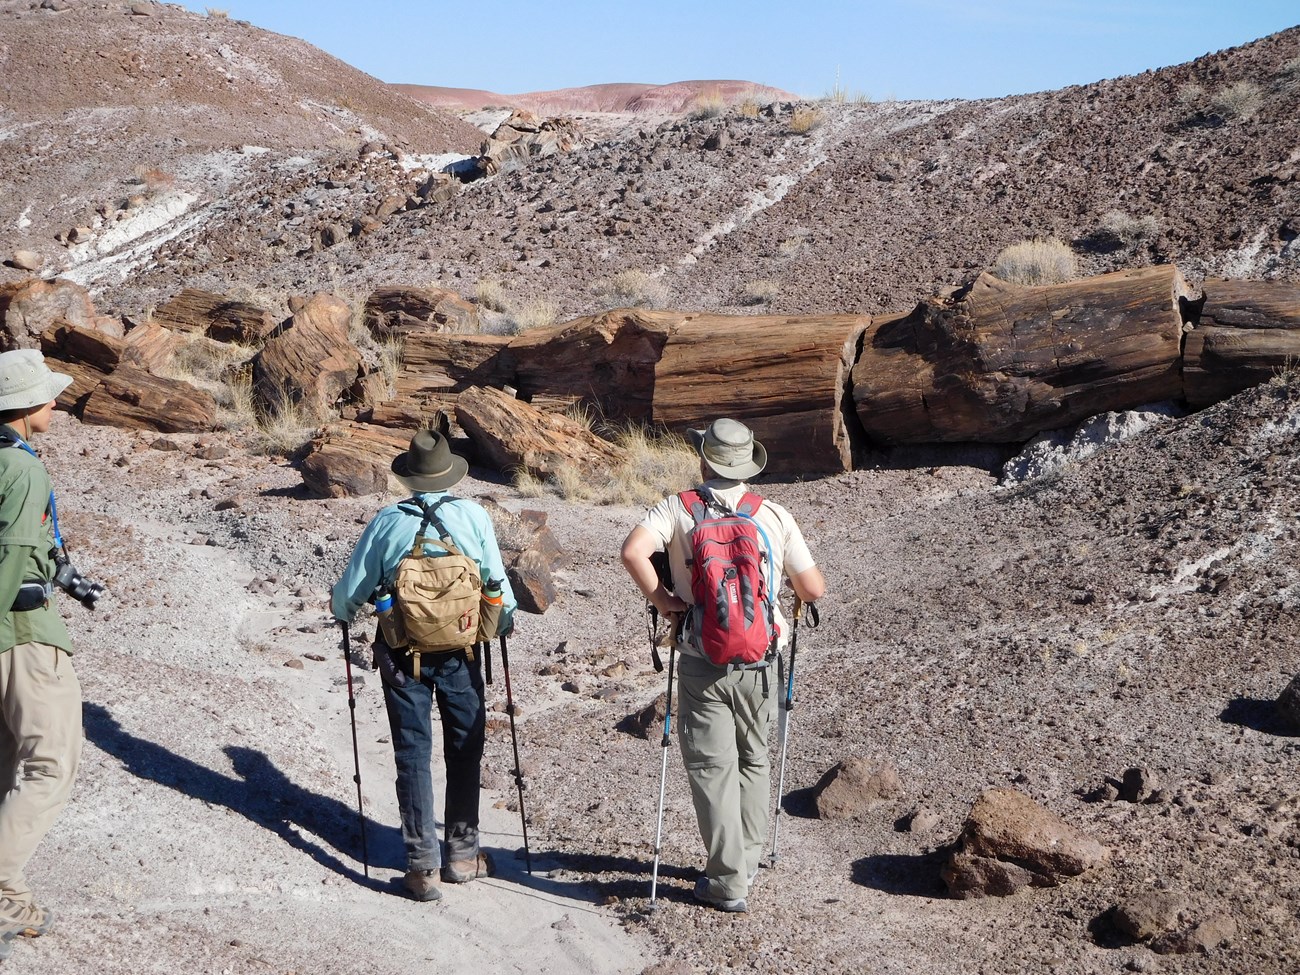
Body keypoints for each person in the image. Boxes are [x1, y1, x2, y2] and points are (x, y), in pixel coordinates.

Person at [622, 417, 826, 914]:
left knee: (713, 768)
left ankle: (728, 880)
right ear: (747, 465)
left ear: (703, 459)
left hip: (701, 656)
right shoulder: (773, 513)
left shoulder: (677, 508)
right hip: (763, 657)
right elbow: (813, 589)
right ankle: (747, 861)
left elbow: (632, 552)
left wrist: (667, 600)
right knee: (754, 758)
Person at [331, 429, 516, 903]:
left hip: (402, 656)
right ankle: (461, 854)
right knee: (464, 749)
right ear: (449, 473)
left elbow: (347, 595)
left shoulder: (386, 521)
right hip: (463, 654)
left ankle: (421, 869)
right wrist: (501, 623)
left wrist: (346, 615)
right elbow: (500, 589)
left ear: (410, 477)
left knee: (412, 754)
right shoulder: (473, 515)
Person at [0, 350, 79, 961]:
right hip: (21, 633)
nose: (57, 403)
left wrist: (62, 570)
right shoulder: (24, 471)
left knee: (7, 764)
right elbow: (10, 559)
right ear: (27, 408)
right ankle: (2, 893)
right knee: (49, 765)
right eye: (48, 397)